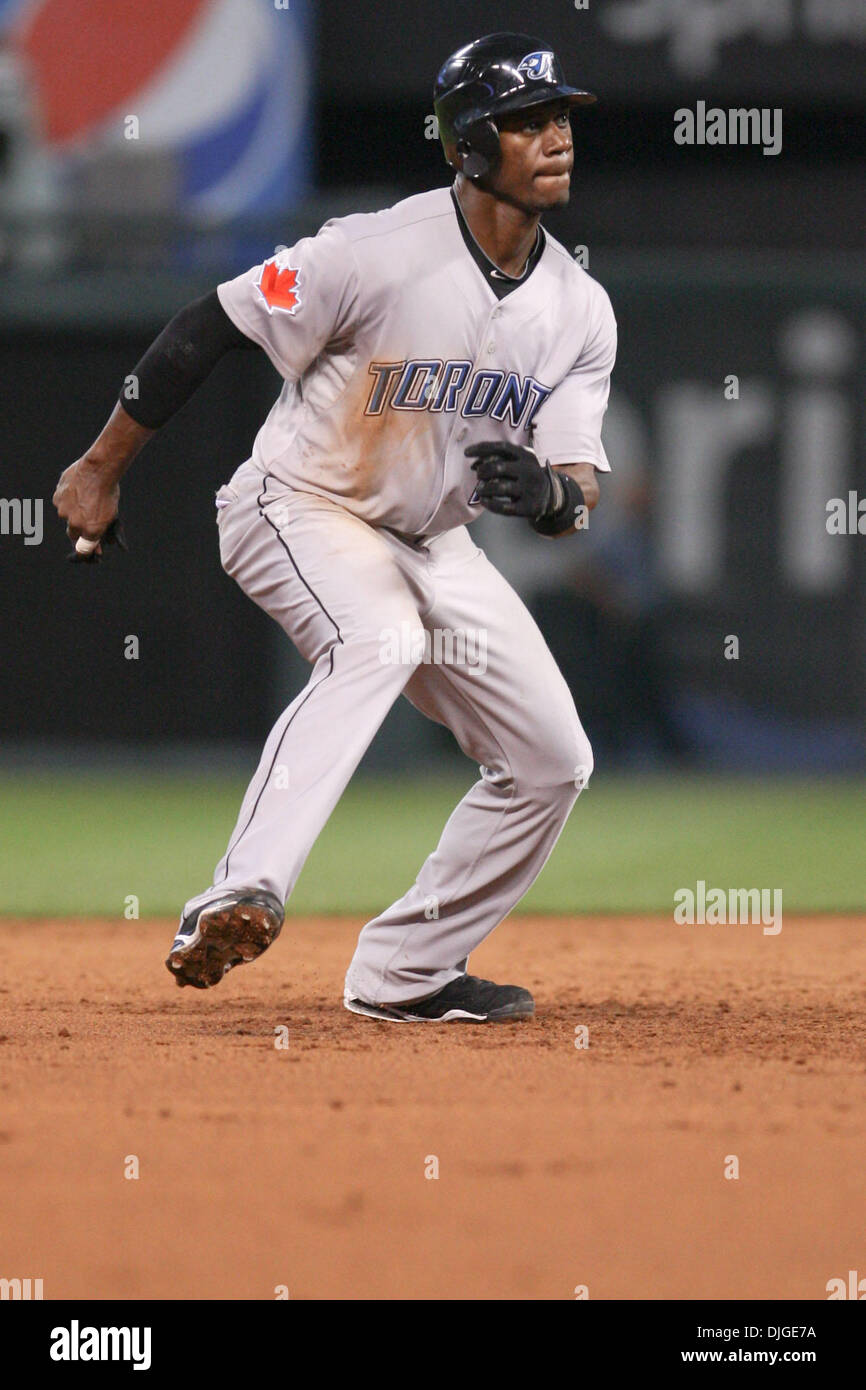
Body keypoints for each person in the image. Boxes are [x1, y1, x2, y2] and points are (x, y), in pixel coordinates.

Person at [52, 33, 617, 1024]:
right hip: (296, 504)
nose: (554, 137)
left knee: (550, 760)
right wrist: (99, 470)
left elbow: (575, 488)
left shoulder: (578, 307)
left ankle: (404, 972)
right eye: (526, 121)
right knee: (379, 637)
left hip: (435, 544)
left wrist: (548, 496)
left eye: (559, 118)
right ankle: (243, 888)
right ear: (469, 144)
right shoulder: (369, 251)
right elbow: (204, 327)